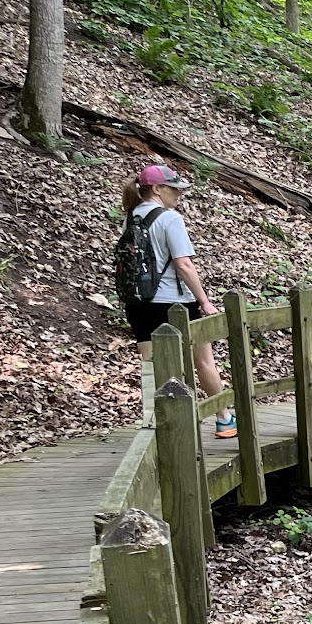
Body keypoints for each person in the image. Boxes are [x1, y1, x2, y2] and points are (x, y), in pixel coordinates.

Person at [120, 165, 237, 439]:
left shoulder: (130, 218)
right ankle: (223, 418)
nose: (178, 194)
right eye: (174, 189)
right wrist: (204, 301)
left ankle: (158, 426)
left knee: (152, 366)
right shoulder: (170, 218)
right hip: (173, 304)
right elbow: (183, 264)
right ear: (158, 189)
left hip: (138, 304)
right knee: (203, 361)